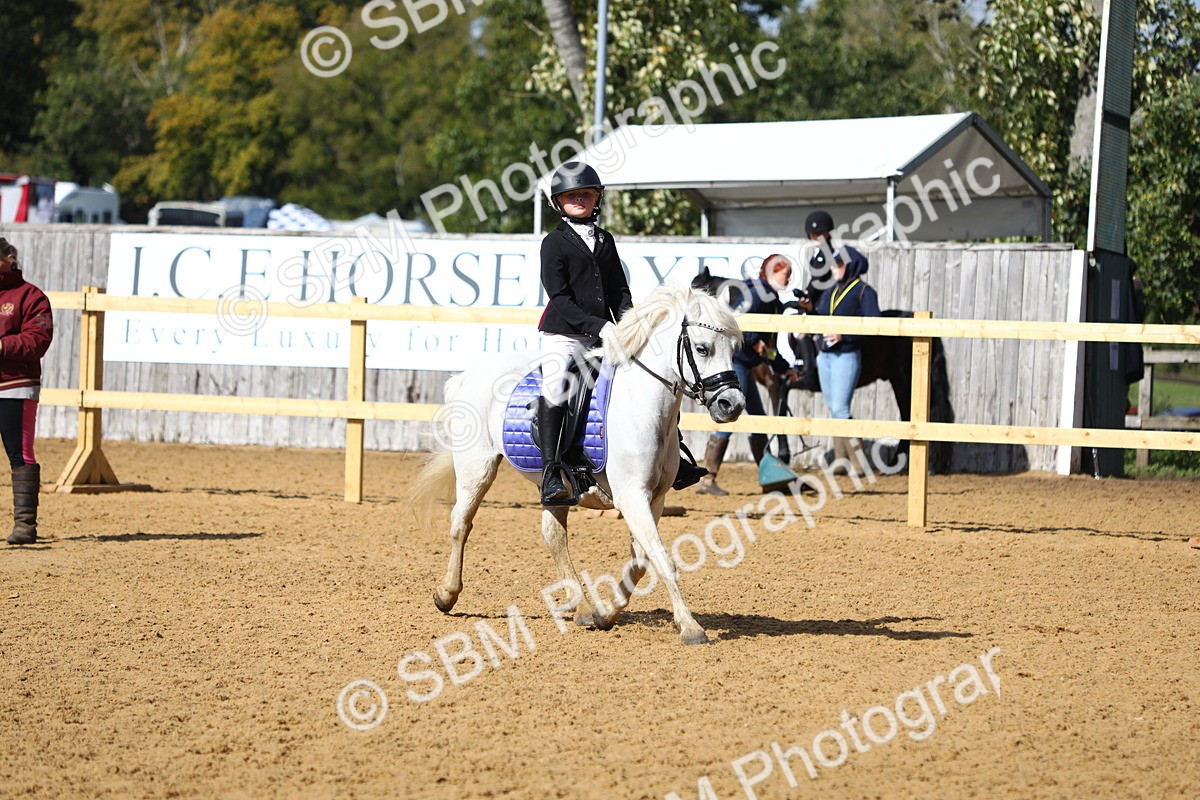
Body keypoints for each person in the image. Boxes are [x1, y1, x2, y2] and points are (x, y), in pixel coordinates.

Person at [537, 163, 708, 505]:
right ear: (559, 202)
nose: (580, 199)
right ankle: (551, 471)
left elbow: (618, 291)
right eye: (572, 195)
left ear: (597, 197)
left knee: (656, 377)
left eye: (585, 194)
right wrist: (597, 326)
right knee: (557, 385)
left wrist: (634, 325)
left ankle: (676, 458)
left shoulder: (605, 239)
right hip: (565, 334)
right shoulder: (553, 243)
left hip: (607, 334)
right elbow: (560, 298)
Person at [695, 254, 798, 496]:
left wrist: (783, 367)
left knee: (758, 418)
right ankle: (708, 479)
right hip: (738, 363)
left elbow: (767, 347)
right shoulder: (757, 293)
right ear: (773, 272)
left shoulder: (769, 297)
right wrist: (754, 343)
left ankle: (771, 478)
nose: (790, 278)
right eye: (787, 273)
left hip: (746, 364)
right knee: (731, 416)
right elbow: (738, 324)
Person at [805, 211, 880, 475]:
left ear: (851, 266)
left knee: (841, 408)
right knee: (834, 408)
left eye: (838, 265)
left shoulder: (864, 291)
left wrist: (844, 336)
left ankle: (858, 463)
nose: (833, 269)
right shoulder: (832, 291)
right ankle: (841, 460)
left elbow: (874, 326)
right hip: (825, 355)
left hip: (847, 354)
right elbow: (821, 314)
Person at [0, 238, 54, 544]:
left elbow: (38, 340)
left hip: (15, 386)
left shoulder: (31, 297)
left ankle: (24, 524)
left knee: (19, 454)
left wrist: (2, 345)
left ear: (9, 259)